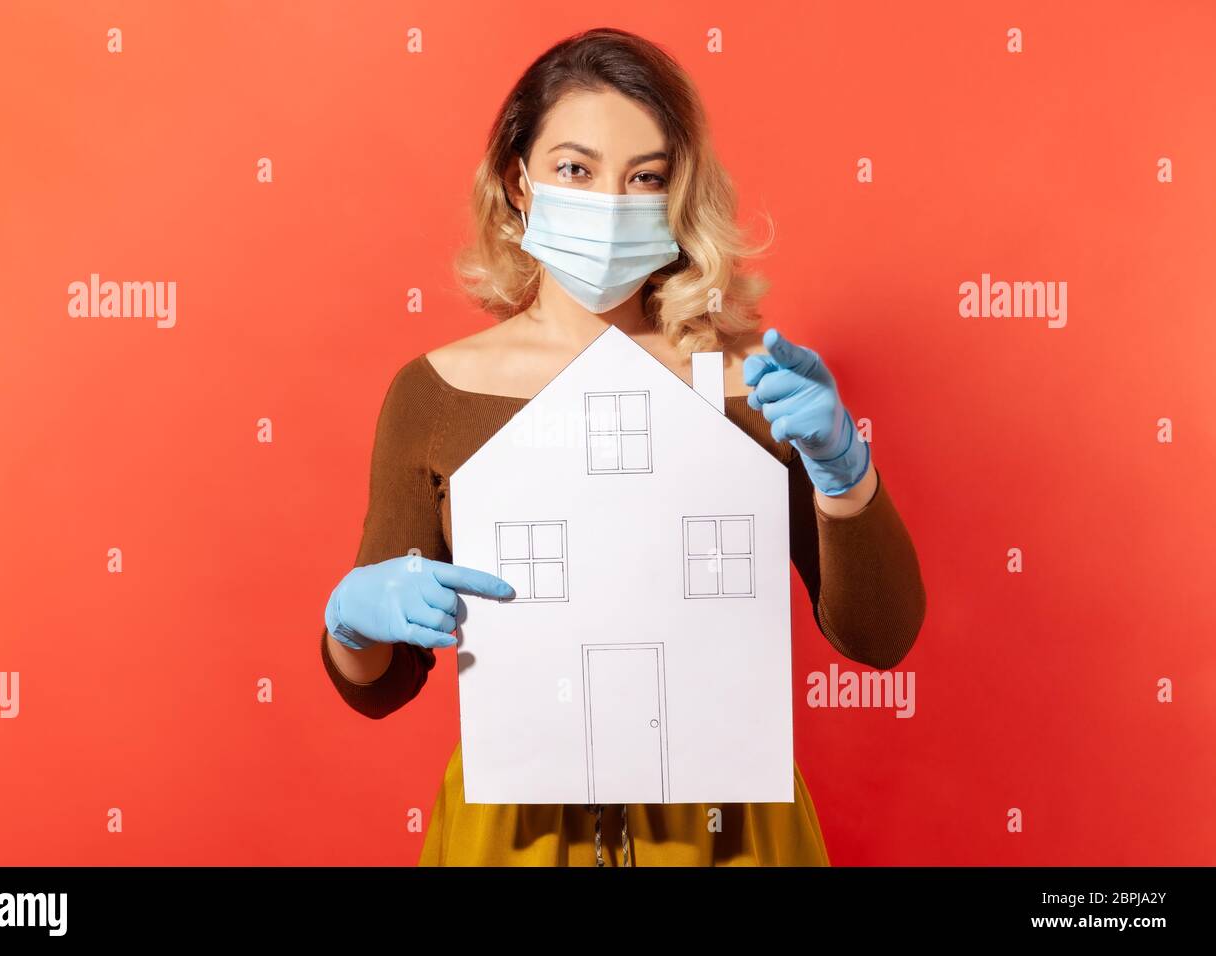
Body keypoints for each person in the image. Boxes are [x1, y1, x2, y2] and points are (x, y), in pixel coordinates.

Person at [320, 27, 926, 866]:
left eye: (645, 177)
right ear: (517, 182)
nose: (611, 202)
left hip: (732, 824)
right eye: (576, 169)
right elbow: (377, 689)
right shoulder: (437, 394)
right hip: (515, 828)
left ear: (679, 198)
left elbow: (879, 637)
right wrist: (353, 618)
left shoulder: (752, 383)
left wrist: (844, 474)